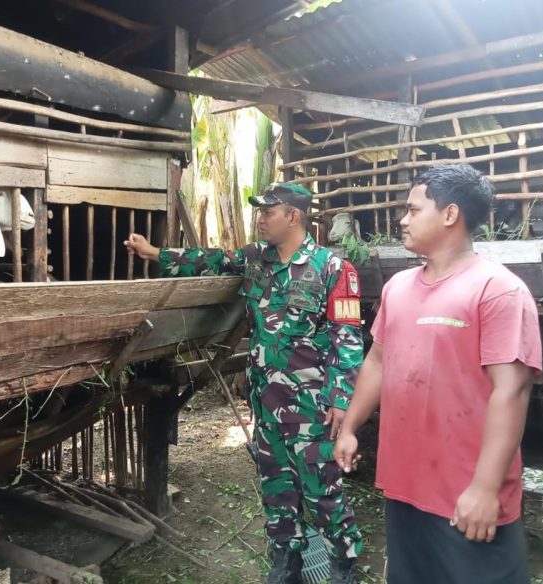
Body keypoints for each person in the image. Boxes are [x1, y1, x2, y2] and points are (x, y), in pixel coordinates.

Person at [125, 182, 364, 584]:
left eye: (268, 212)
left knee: (322, 490)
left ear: (293, 216)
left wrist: (342, 401)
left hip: (313, 407)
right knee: (276, 488)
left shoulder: (333, 269)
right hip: (266, 401)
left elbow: (349, 340)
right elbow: (211, 259)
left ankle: (343, 563)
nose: (260, 219)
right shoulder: (256, 258)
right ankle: (286, 562)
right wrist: (154, 253)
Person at [334, 164, 542, 584]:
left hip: (466, 496)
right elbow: (377, 361)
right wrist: (350, 427)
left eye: (413, 210)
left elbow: (512, 391)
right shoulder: (398, 287)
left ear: (450, 215)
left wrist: (485, 488)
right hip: (405, 486)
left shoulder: (497, 289)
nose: (403, 220)